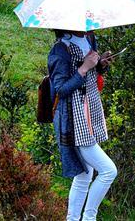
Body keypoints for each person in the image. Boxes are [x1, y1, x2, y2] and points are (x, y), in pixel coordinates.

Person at [47, 29, 117, 221]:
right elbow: (60, 89)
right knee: (109, 171)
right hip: (74, 119)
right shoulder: (60, 50)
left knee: (85, 174)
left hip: (89, 112)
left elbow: (91, 75)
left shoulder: (89, 37)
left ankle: (73, 219)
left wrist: (99, 63)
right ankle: (89, 218)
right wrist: (84, 68)